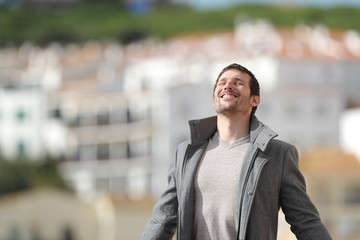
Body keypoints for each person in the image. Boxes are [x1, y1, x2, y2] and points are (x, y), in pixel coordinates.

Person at [140, 63, 332, 240]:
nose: (227, 85)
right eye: (222, 82)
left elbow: (305, 222)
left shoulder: (277, 154)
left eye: (237, 83)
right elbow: (163, 219)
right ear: (214, 100)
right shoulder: (185, 153)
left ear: (254, 100)